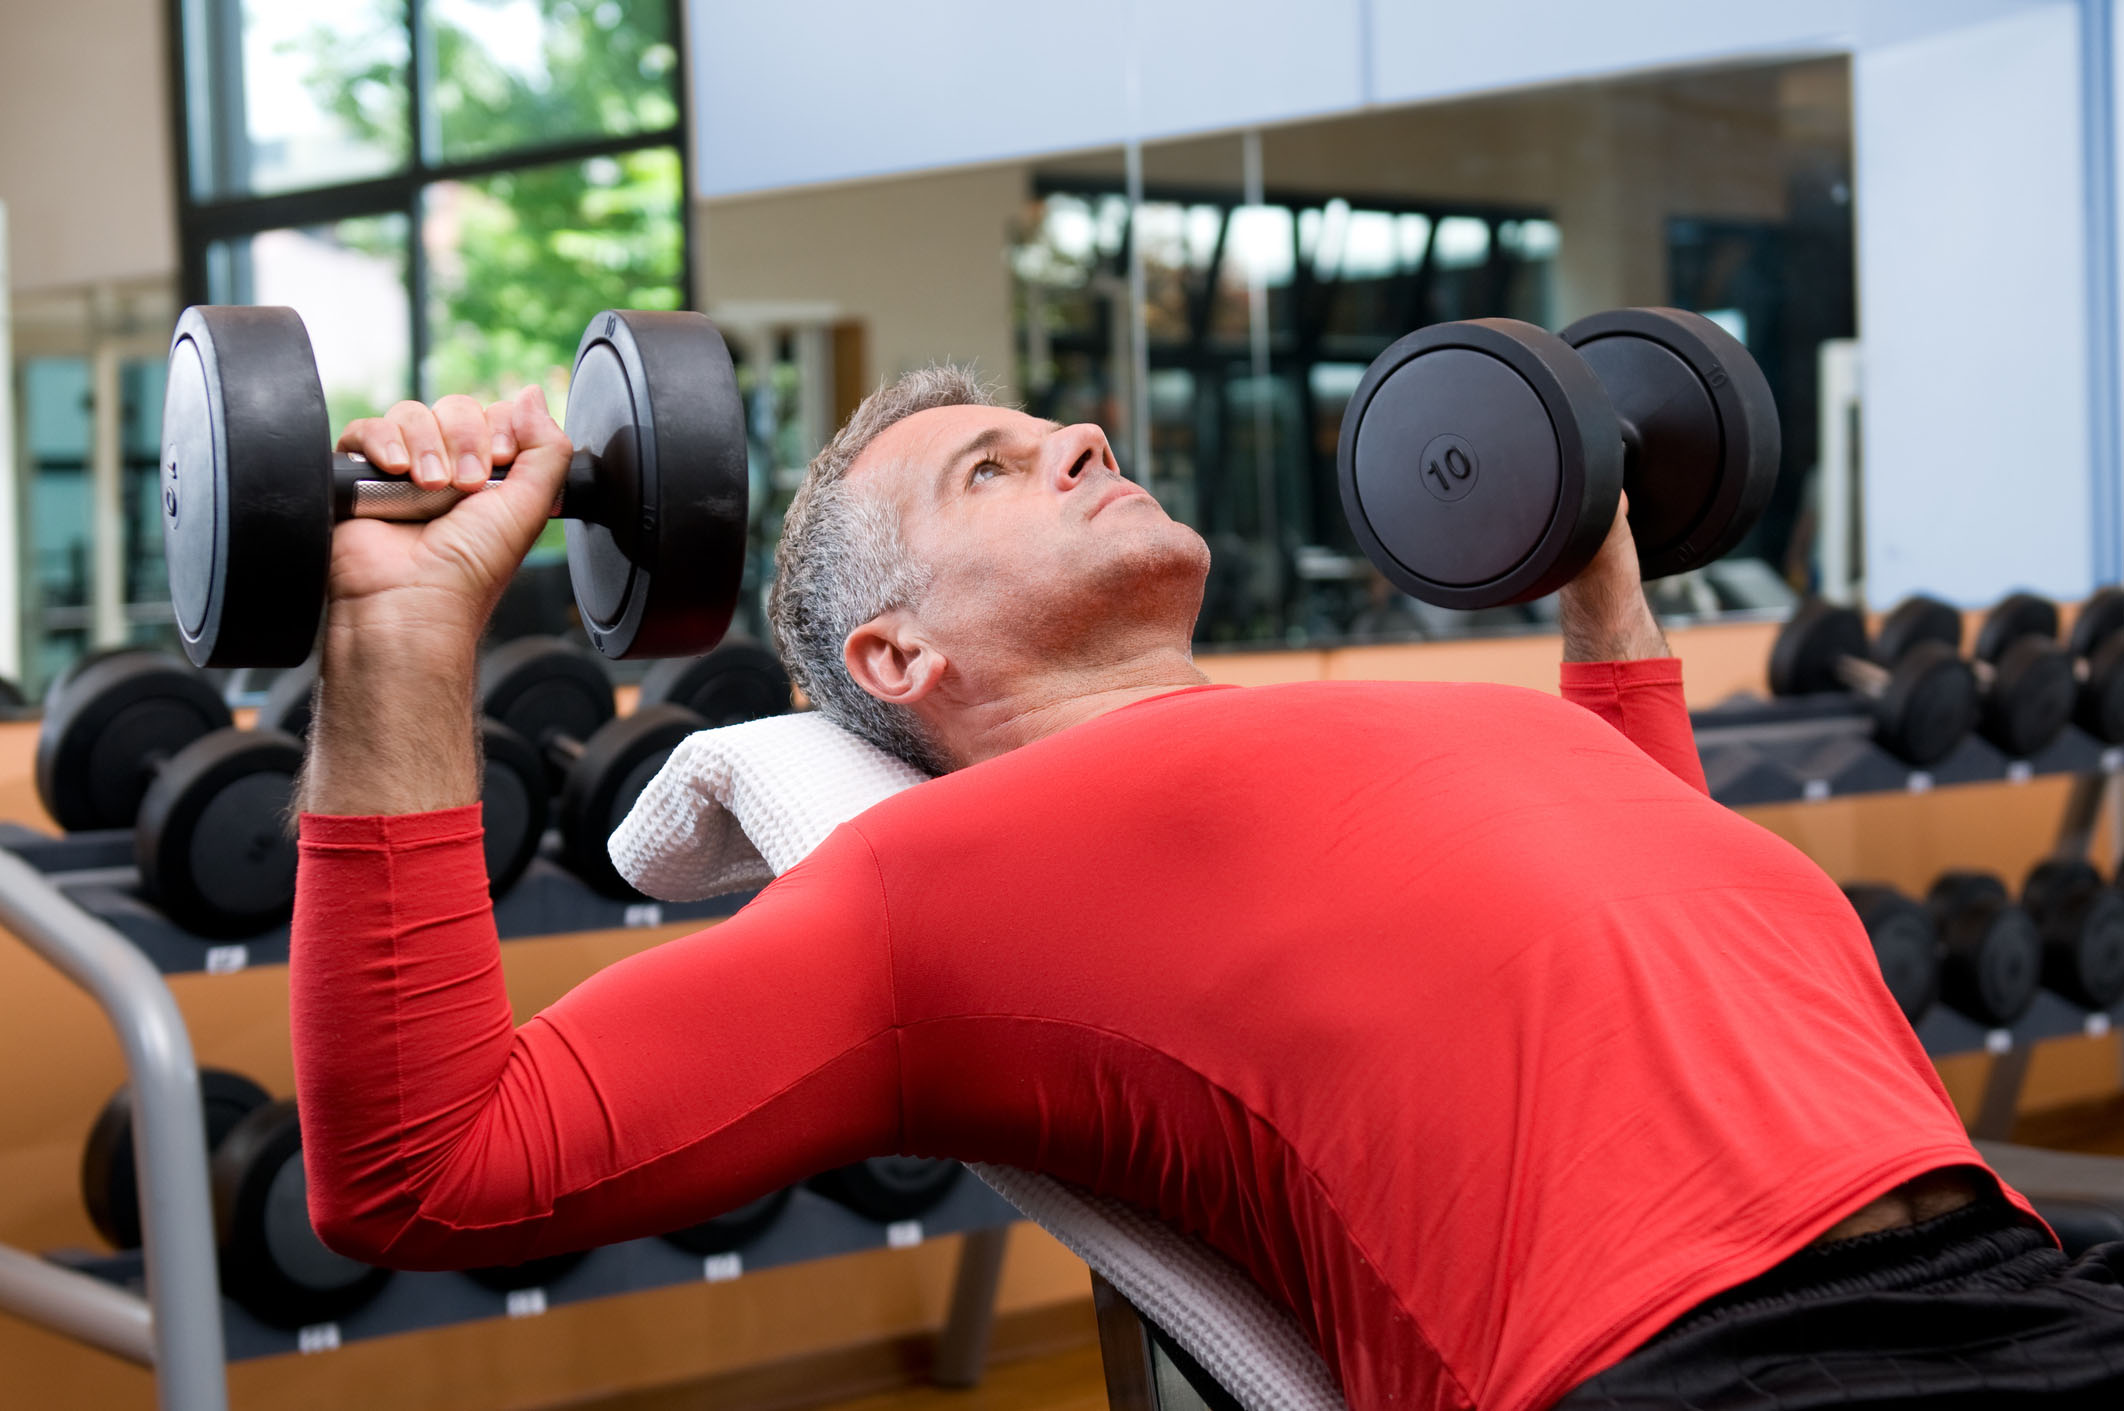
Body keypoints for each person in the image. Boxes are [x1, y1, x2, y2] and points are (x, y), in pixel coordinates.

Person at [292, 370, 2124, 1411]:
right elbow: (422, 1165)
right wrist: (402, 638)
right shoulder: (934, 888)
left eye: (1058, 428)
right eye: (991, 471)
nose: (1086, 441)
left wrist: (1597, 575)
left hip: (2021, 1271)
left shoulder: (1443, 724)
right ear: (894, 651)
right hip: (1744, 1376)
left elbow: (1654, 890)